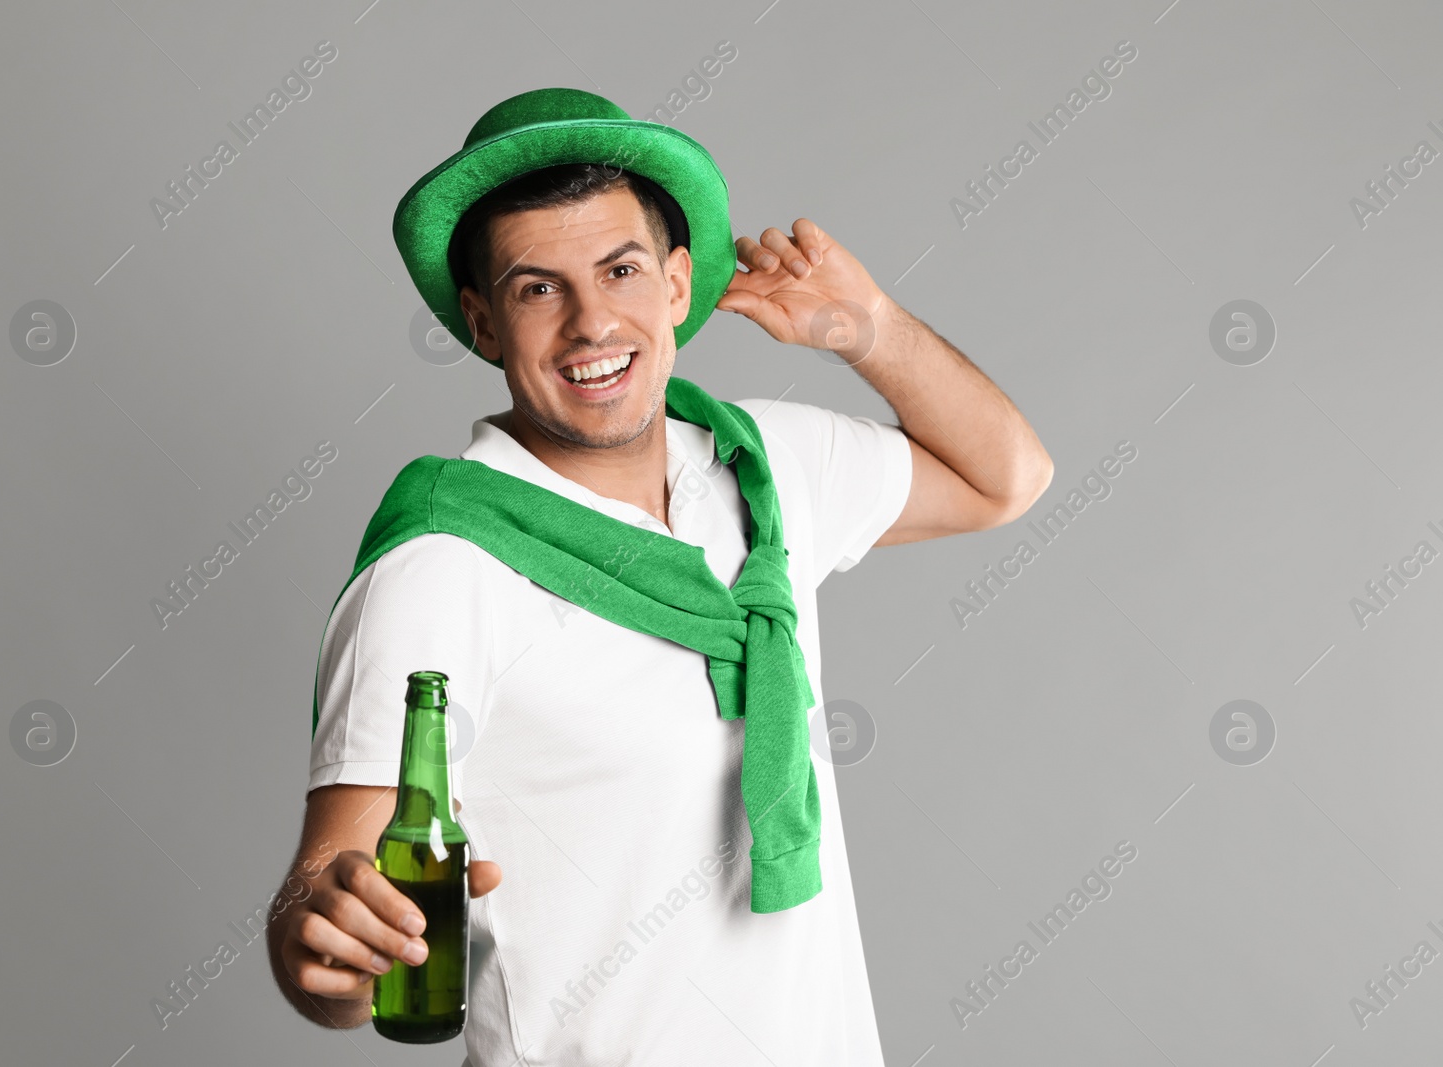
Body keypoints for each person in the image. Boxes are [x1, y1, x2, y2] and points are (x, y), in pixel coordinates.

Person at [266, 87, 1052, 1065]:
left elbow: (1005, 476)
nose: (592, 322)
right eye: (537, 287)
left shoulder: (760, 467)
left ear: (677, 285)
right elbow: (332, 883)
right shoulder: (440, 567)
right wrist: (329, 941)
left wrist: (868, 328)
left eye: (620, 268)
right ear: (481, 322)